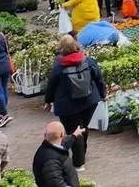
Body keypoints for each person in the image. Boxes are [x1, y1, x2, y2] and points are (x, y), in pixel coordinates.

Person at [43, 36, 106, 170]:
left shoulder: (59, 67)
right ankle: (82, 153)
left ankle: (78, 163)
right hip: (89, 100)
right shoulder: (88, 61)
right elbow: (99, 78)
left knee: (74, 131)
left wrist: (48, 101)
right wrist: (103, 94)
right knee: (83, 126)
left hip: (68, 105)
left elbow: (51, 86)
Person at [31, 121, 83, 187]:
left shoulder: (49, 146)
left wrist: (74, 135)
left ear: (45, 135)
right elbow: (56, 183)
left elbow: (63, 144)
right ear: (62, 134)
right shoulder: (51, 161)